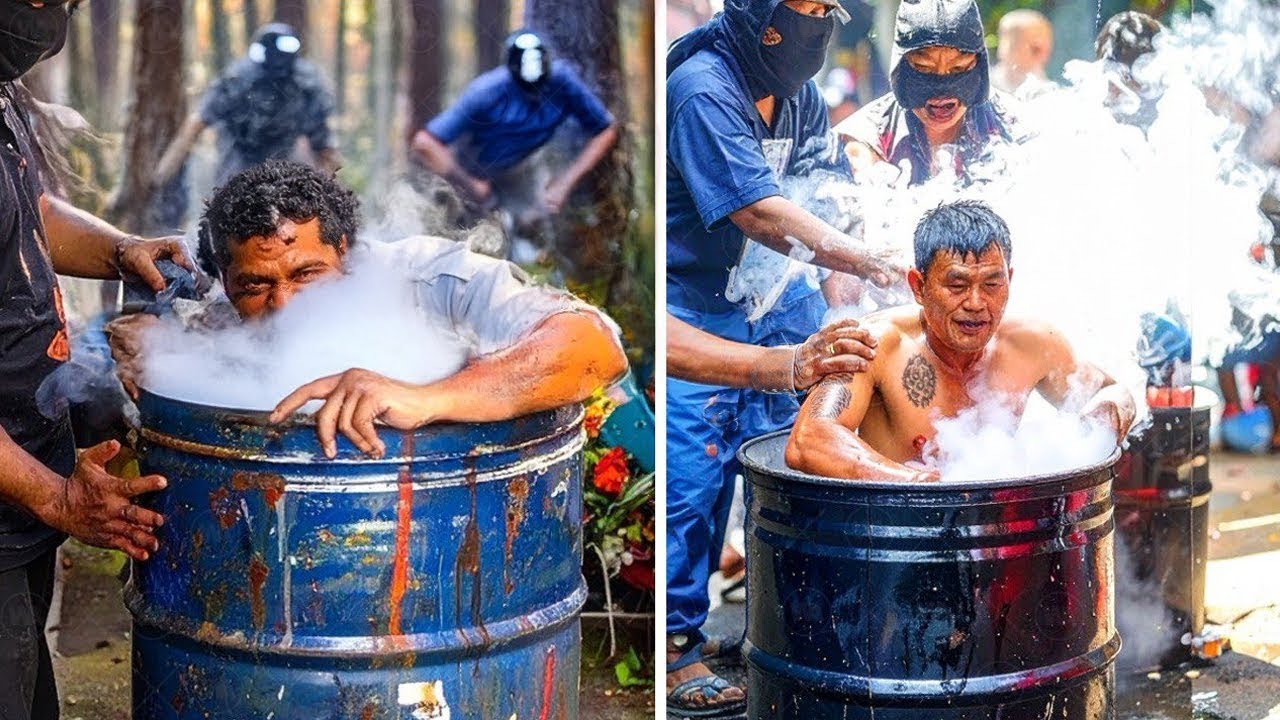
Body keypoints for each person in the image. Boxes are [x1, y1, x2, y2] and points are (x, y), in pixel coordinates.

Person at [664, 0, 896, 714]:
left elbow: (829, 208)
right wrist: (863, 255)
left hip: (773, 306)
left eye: (826, 7)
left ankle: (771, 625)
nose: (814, 21)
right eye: (799, 7)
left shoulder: (802, 99)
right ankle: (676, 652)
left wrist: (844, 311)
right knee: (691, 489)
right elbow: (760, 211)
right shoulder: (704, 87)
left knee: (774, 470)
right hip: (694, 305)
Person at [109, 160, 629, 458]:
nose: (284, 303)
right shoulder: (214, 306)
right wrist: (144, 342)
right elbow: (141, 298)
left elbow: (596, 348)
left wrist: (426, 397)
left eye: (306, 274)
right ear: (224, 279)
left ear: (348, 252)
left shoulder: (433, 278)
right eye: (255, 285)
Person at [0, 2, 193, 718]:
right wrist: (56, 497)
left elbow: (29, 209)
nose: (53, 18)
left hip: (18, 490)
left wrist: (121, 249)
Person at [786, 200, 1135, 480]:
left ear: (1010, 279)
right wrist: (920, 485)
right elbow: (809, 440)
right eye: (957, 285)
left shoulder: (1033, 344)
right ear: (918, 287)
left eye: (992, 284)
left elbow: (1110, 390)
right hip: (899, 540)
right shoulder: (877, 343)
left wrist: (1107, 416)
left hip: (992, 541)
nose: (976, 302)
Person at [411, 29, 618, 218]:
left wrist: (565, 183)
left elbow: (605, 129)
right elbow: (424, 143)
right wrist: (470, 183)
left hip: (520, 172)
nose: (536, 94)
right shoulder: (486, 93)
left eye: (541, 87)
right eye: (526, 89)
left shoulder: (563, 82)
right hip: (467, 173)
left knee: (533, 230)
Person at [835, 0, 1019, 185]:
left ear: (979, 68)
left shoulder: (1017, 130)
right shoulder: (864, 141)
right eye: (924, 68)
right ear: (900, 68)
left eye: (958, 68)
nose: (942, 89)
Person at [152, 23, 340, 188]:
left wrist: (333, 192)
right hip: (239, 152)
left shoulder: (305, 83)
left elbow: (322, 142)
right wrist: (162, 174)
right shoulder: (239, 79)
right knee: (232, 200)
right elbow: (198, 122)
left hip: (284, 154)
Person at [991, 9, 1056, 100]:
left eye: (1045, 44)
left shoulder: (1048, 93)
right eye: (1035, 47)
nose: (1043, 51)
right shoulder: (982, 87)